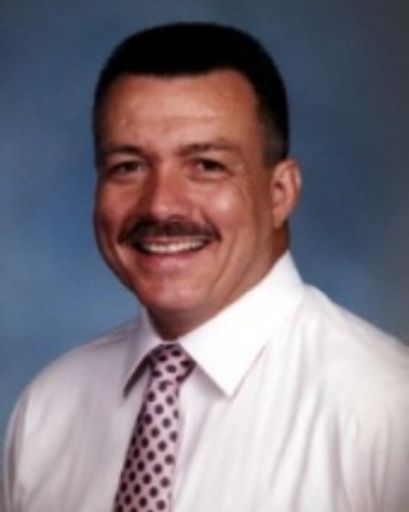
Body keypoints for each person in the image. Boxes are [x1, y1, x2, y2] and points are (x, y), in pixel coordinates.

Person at [1, 22, 408, 512]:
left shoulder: (386, 414)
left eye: (207, 165)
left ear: (280, 193)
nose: (160, 204)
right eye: (128, 166)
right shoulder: (47, 409)